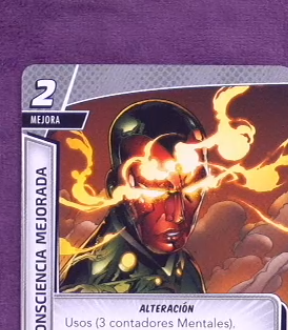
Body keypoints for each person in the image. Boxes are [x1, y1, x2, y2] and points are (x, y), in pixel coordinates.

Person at [60, 100, 210, 294]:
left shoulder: (185, 269)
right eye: (155, 189)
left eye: (193, 187)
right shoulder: (91, 288)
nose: (178, 215)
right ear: (116, 188)